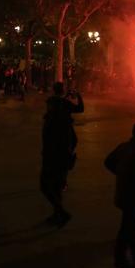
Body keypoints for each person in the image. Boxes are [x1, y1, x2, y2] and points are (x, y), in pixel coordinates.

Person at [105, 121, 135, 268]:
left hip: (123, 193)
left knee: (131, 224)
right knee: (127, 226)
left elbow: (108, 162)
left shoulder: (123, 147)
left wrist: (120, 174)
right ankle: (120, 259)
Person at [40, 82, 84, 227]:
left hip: (53, 155)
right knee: (55, 186)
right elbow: (80, 108)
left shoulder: (53, 109)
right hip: (62, 155)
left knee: (47, 186)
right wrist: (77, 96)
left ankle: (59, 213)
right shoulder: (64, 112)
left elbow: (47, 136)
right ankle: (59, 213)